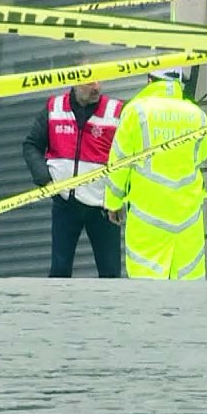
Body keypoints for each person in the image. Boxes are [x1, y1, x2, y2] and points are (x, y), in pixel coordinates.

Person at [104, 67, 207, 280]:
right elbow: (205, 152)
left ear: (149, 80)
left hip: (147, 217)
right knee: (188, 285)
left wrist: (113, 203)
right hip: (187, 217)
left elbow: (119, 161)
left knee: (147, 283)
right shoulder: (196, 115)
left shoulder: (137, 111)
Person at [22, 65, 124, 278]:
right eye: (90, 82)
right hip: (65, 202)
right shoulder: (55, 108)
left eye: (99, 81)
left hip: (103, 205)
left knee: (111, 273)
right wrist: (45, 179)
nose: (96, 87)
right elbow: (31, 145)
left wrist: (120, 198)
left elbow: (129, 154)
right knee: (59, 271)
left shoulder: (116, 111)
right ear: (75, 82)